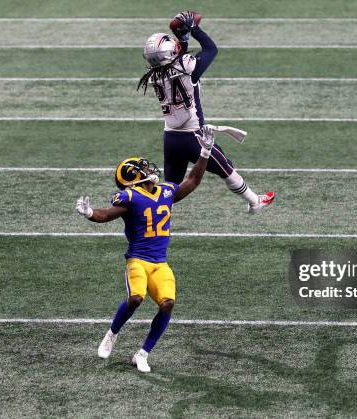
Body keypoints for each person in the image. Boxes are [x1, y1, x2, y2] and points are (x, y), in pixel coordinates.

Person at [75, 126, 214, 373]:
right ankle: (112, 334)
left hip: (160, 262)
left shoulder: (166, 192)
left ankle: (142, 353)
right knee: (136, 297)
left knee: (168, 303)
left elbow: (192, 181)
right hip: (137, 260)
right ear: (134, 177)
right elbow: (107, 215)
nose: (150, 170)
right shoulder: (130, 197)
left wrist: (204, 152)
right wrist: (89, 214)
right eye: (144, 169)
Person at [137, 10, 275, 214]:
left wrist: (182, 39)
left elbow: (175, 60)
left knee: (171, 191)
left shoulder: (153, 76)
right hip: (194, 137)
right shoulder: (186, 67)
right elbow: (211, 49)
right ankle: (255, 202)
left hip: (171, 138)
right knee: (227, 168)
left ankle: (150, 216)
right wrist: (194, 29)